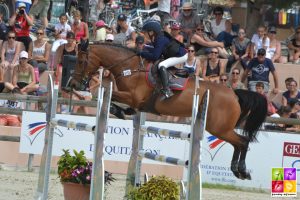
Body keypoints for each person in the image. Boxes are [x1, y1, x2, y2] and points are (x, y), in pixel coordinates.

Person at [137, 19, 187, 100]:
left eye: (145, 33)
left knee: (161, 65)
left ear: (151, 32)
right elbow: (156, 51)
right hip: (177, 54)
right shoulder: (158, 38)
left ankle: (167, 90)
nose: (144, 35)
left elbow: (155, 56)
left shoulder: (160, 39)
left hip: (181, 56)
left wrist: (141, 53)